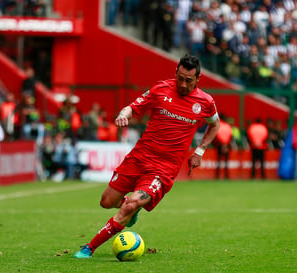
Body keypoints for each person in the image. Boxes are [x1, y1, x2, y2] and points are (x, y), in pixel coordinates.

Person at [74, 55, 220, 259]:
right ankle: (129, 209)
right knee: (107, 202)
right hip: (139, 156)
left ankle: (89, 247)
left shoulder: (205, 102)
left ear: (198, 79)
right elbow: (132, 108)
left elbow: (215, 125)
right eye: (180, 78)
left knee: (131, 205)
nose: (183, 84)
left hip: (164, 168)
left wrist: (200, 150)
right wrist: (124, 115)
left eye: (189, 80)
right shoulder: (160, 89)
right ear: (176, 72)